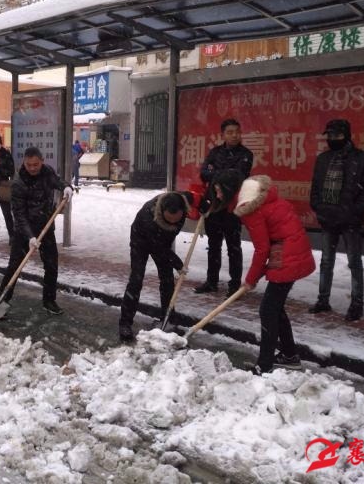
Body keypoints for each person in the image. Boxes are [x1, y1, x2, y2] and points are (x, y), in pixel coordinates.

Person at [232, 175, 315, 376]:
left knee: (268, 310)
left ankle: (265, 364)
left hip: (287, 258)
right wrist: (255, 276)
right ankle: (289, 355)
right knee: (275, 308)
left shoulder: (253, 211)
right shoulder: (272, 199)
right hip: (295, 252)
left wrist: (251, 280)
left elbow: (262, 249)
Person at [308, 119, 364, 321]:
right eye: (329, 136)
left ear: (347, 135)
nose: (332, 139)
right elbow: (315, 187)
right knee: (326, 261)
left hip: (350, 220)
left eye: (336, 135)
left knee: (354, 262)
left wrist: (354, 211)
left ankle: (357, 304)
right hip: (327, 217)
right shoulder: (323, 159)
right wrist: (318, 207)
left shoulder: (363, 159)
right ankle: (323, 300)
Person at [0, 146, 73, 315]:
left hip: (46, 228)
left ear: (42, 161)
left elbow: (58, 181)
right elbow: (19, 214)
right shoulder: (18, 183)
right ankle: (2, 302)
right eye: (29, 164)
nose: (32, 168)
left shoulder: (47, 172)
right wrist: (30, 236)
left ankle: (49, 301)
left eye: (36, 164)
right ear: (24, 162)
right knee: (14, 267)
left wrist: (66, 187)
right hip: (24, 232)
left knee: (51, 265)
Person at [118, 191, 196, 342]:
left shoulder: (182, 201)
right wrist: (178, 264)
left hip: (163, 241)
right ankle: (125, 323)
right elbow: (159, 248)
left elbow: (199, 197)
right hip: (141, 240)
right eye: (170, 220)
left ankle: (168, 320)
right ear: (162, 212)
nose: (174, 223)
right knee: (136, 279)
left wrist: (205, 206)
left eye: (176, 220)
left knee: (167, 279)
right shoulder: (149, 217)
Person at [194, 118, 254, 296]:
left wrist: (216, 174)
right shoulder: (215, 152)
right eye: (230, 132)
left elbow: (237, 177)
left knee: (233, 247)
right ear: (223, 135)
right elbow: (204, 173)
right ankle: (211, 281)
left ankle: (234, 285)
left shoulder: (246, 154)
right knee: (213, 246)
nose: (234, 135)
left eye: (237, 131)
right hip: (213, 205)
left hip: (232, 208)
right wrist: (221, 174)